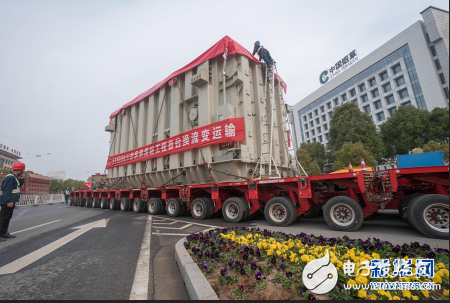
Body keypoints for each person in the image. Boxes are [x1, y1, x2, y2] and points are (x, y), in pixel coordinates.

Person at [0, 162, 26, 241]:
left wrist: (21, 179)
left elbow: (17, 187)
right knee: (3, 218)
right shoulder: (10, 177)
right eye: (22, 171)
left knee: (7, 217)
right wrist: (9, 201)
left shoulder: (14, 177)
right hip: (7, 201)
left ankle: (3, 233)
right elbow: (6, 190)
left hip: (11, 200)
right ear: (19, 170)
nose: (22, 172)